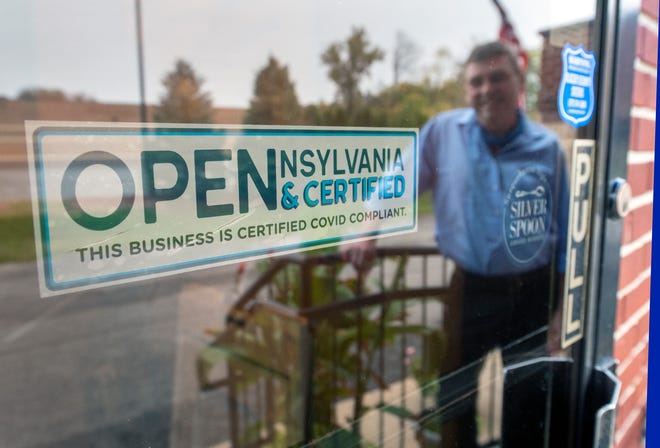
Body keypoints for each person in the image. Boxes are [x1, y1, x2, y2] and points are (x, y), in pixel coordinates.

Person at [342, 41, 569, 447]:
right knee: (456, 394)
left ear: (519, 82)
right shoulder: (443, 133)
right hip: (471, 289)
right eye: (476, 81)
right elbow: (396, 184)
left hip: (535, 292)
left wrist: (561, 313)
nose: (486, 89)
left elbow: (569, 236)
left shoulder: (548, 148)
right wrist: (366, 230)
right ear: (467, 91)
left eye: (497, 77)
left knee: (529, 399)